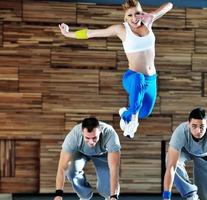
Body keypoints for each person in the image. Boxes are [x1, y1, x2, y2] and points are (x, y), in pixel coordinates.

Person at [58, 0, 173, 139]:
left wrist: (151, 15)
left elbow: (169, 5)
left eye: (137, 13)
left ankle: (126, 113)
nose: (134, 18)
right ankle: (133, 120)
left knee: (145, 113)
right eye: (129, 15)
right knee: (139, 79)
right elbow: (92, 33)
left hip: (151, 79)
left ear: (141, 13)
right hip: (132, 77)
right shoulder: (121, 29)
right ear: (125, 17)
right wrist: (68, 34)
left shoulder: (148, 22)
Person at [163, 107, 207, 200]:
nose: (198, 131)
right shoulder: (181, 131)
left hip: (206, 156)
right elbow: (171, 167)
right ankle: (191, 195)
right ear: (188, 124)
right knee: (169, 158)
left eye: (201, 127)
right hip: (185, 151)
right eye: (194, 126)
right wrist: (166, 198)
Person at [53, 117, 121, 200]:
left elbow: (114, 169)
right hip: (81, 152)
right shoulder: (74, 136)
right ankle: (84, 196)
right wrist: (58, 194)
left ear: (100, 132)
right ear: (82, 133)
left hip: (103, 153)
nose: (91, 142)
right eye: (87, 138)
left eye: (94, 138)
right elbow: (62, 168)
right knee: (71, 171)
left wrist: (113, 196)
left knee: (106, 191)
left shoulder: (110, 134)